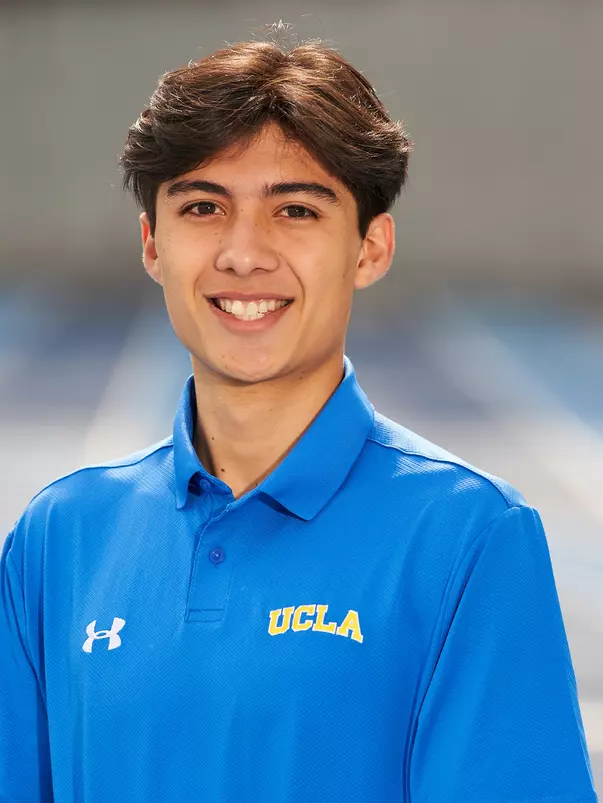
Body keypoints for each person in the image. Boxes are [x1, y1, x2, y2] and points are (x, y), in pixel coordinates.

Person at [0, 29, 598, 803]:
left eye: (296, 211)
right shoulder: (62, 535)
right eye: (204, 206)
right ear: (153, 243)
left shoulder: (467, 535)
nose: (244, 253)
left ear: (369, 248)